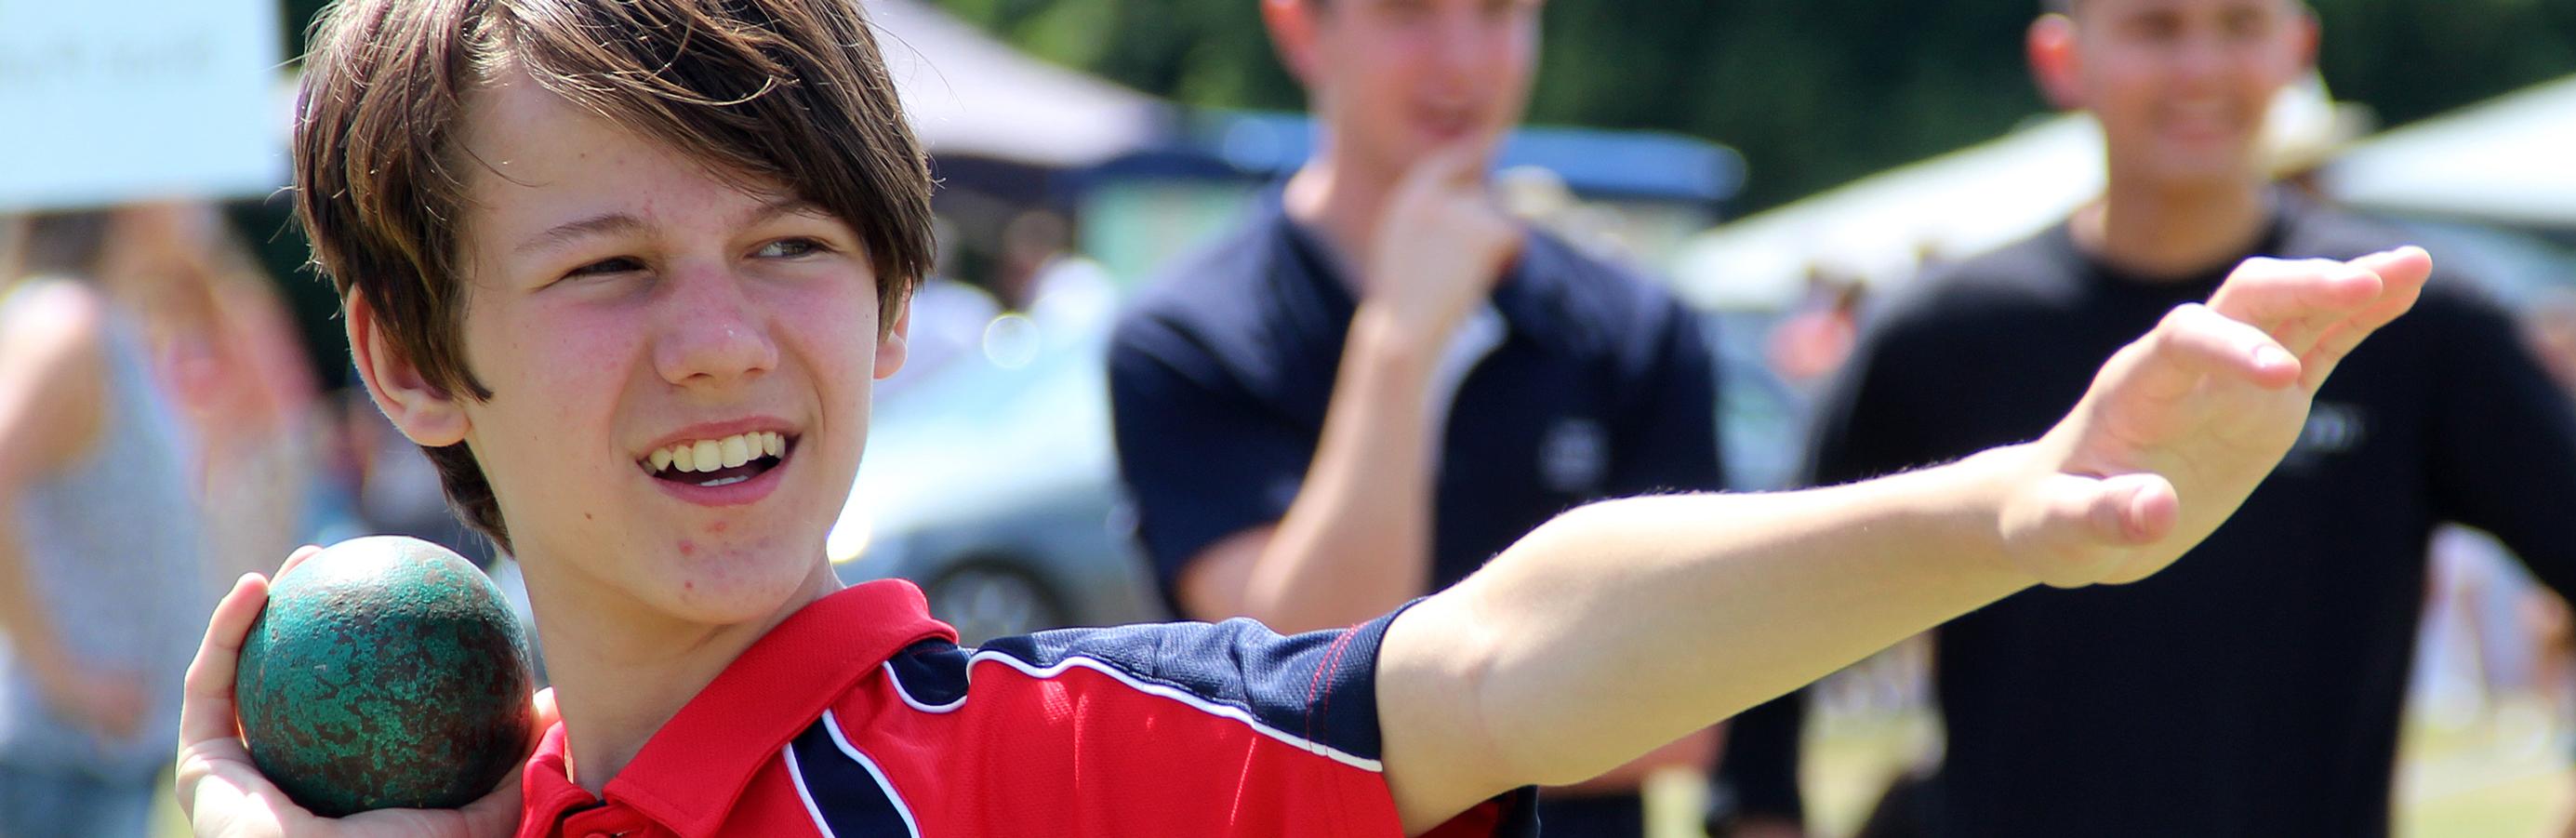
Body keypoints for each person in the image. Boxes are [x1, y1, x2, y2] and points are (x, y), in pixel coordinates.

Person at [175, 1, 2437, 836]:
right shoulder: (447, 805)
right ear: (405, 352)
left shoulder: (1032, 753)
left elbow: (1493, 651)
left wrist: (2008, 511)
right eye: (605, 268)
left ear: (889, 302)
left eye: (791, 250)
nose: (719, 340)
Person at [1714, 1, 2576, 835]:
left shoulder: (2397, 320)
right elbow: (1756, 626)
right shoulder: (1946, 330)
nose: (2200, 66)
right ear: (2063, 58)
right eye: (2156, 26)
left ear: (2297, 49)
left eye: (2240, 24)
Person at [1103, 1, 1732, 833]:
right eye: (1408, 12)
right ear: (1298, 28)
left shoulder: (1637, 331)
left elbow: (1687, 712)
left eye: (1499, 12)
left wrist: (1412, 731)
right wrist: (1399, 343)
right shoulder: (1187, 338)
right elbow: (1302, 704)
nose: (1461, 61)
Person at [0, 208, 218, 837]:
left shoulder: (95, 320)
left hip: (93, 761)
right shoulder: (66, 322)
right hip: (63, 762)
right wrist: (63, 675)